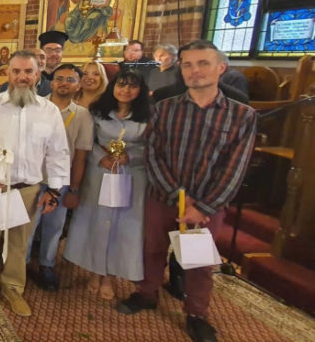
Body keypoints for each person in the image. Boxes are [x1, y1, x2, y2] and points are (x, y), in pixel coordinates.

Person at [116, 40, 257, 342]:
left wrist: (202, 206)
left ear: (221, 68)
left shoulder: (241, 115)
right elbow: (153, 155)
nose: (195, 71)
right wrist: (176, 194)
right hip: (163, 196)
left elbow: (235, 167)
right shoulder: (165, 109)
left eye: (203, 63)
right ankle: (147, 292)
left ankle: (196, 314)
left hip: (207, 204)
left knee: (198, 261)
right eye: (188, 64)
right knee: (152, 248)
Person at [0, 49, 70, 316]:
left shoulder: (49, 112)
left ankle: (13, 288)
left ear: (37, 75)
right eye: (17, 71)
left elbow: (58, 152)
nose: (22, 77)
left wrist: (54, 190)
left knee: (19, 243)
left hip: (27, 189)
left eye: (28, 71)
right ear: (8, 73)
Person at [64, 71, 150, 300]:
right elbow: (86, 142)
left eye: (132, 86)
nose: (126, 90)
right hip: (100, 172)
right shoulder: (97, 112)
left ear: (140, 90)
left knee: (122, 226)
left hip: (131, 175)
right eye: (121, 85)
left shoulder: (148, 116)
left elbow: (152, 147)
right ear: (113, 87)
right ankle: (94, 271)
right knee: (96, 221)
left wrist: (131, 157)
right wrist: (100, 157)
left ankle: (110, 276)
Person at [25, 63, 94, 291]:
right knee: (27, 226)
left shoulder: (82, 115)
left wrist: (73, 188)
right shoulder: (35, 107)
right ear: (51, 82)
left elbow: (81, 155)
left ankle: (47, 264)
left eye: (70, 80)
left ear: (78, 85)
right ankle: (21, 265)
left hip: (61, 181)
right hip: (33, 178)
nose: (64, 83)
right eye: (59, 78)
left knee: (54, 226)